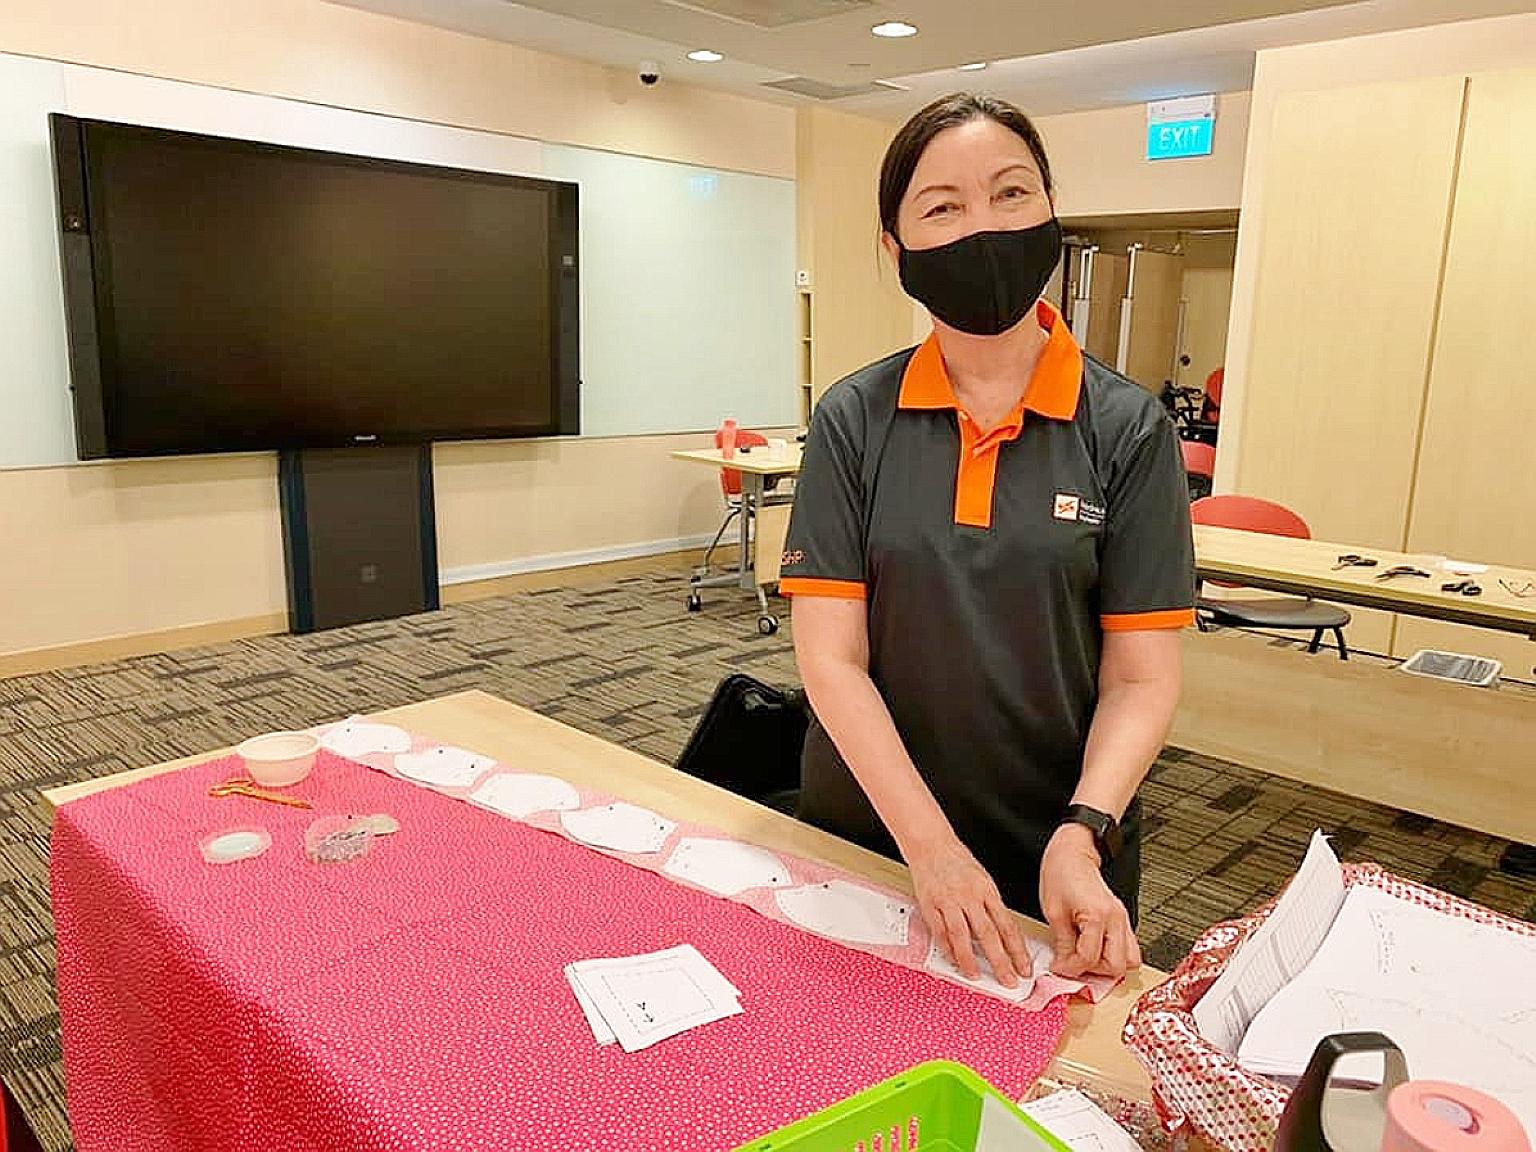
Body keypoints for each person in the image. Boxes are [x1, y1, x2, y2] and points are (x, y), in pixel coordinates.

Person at [779, 93, 1195, 989]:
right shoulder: (855, 418)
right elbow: (831, 661)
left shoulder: (1128, 428)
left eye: (1011, 194)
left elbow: (1141, 677)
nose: (985, 228)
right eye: (943, 207)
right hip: (873, 831)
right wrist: (930, 848)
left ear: (1050, 210)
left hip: (1056, 849)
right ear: (895, 249)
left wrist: (1085, 832)